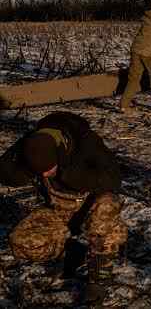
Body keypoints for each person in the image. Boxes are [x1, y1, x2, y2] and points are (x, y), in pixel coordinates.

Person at [0, 111, 127, 305]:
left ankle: (99, 276)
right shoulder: (31, 141)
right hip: (58, 209)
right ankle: (73, 252)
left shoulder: (85, 141)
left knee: (106, 204)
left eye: (49, 168)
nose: (46, 174)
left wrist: (69, 175)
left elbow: (113, 179)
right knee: (21, 242)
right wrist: (25, 170)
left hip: (91, 209)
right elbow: (5, 171)